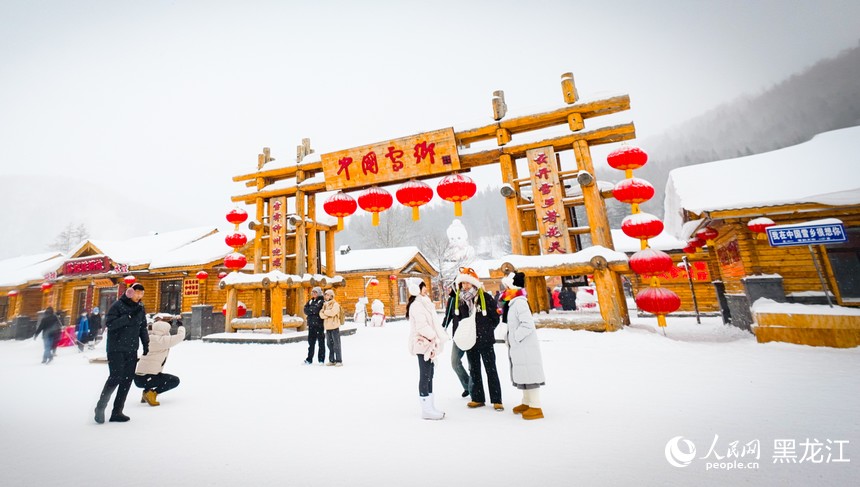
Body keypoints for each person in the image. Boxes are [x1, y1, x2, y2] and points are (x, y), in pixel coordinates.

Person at [94, 283, 149, 424]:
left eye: (142, 293)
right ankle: (100, 407)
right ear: (130, 292)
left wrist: (146, 344)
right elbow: (110, 324)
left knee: (127, 380)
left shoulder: (140, 308)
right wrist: (128, 317)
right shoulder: (118, 305)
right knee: (115, 377)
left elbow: (143, 328)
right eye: (137, 292)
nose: (139, 296)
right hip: (116, 348)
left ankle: (117, 411)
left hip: (132, 349)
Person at [451, 268, 503, 411]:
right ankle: (478, 398)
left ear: (473, 283)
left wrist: (487, 330)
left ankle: (497, 400)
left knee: (491, 369)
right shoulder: (460, 301)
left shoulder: (485, 297)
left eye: (467, 283)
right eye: (463, 283)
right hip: (470, 341)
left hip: (485, 340)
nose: (465, 286)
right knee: (474, 370)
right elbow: (458, 320)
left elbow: (495, 318)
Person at [501, 272, 546, 420]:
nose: (505, 290)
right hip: (520, 347)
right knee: (524, 374)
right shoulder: (514, 302)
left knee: (530, 375)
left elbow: (527, 324)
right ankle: (527, 402)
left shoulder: (519, 302)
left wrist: (515, 337)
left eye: (507, 287)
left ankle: (535, 406)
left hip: (525, 346)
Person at [407, 280, 447, 420]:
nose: (426, 289)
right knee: (425, 375)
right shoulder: (417, 305)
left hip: (429, 343)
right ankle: (426, 409)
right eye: (423, 286)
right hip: (422, 343)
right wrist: (433, 336)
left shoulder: (424, 303)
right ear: (417, 288)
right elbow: (422, 326)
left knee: (430, 374)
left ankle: (430, 406)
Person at [134, 315, 186, 406]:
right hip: (148, 377)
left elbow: (155, 330)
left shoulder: (149, 338)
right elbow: (180, 336)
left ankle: (146, 393)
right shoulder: (162, 341)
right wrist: (180, 326)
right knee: (174, 381)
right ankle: (152, 394)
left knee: (155, 375)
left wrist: (166, 324)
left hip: (138, 378)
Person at [440, 276, 472, 398]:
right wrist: (441, 329)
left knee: (472, 365)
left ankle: (475, 390)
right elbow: (448, 316)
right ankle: (468, 385)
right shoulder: (453, 298)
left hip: (471, 334)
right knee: (455, 362)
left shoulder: (472, 296)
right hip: (458, 336)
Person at [319, 289, 343, 366]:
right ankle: (332, 360)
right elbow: (321, 314)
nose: (326, 296)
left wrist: (325, 312)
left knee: (336, 344)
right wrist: (327, 314)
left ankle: (339, 360)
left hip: (334, 326)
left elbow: (333, 312)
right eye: (325, 295)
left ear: (331, 296)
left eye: (327, 295)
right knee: (329, 344)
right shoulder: (325, 304)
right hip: (328, 327)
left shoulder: (335, 304)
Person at [303, 287, 325, 365]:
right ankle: (309, 359)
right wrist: (312, 310)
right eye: (313, 292)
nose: (314, 294)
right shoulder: (310, 301)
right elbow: (305, 310)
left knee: (321, 343)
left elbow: (317, 310)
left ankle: (321, 360)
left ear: (319, 293)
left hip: (319, 325)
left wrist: (311, 310)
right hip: (311, 325)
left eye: (315, 292)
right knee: (311, 343)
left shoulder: (322, 301)